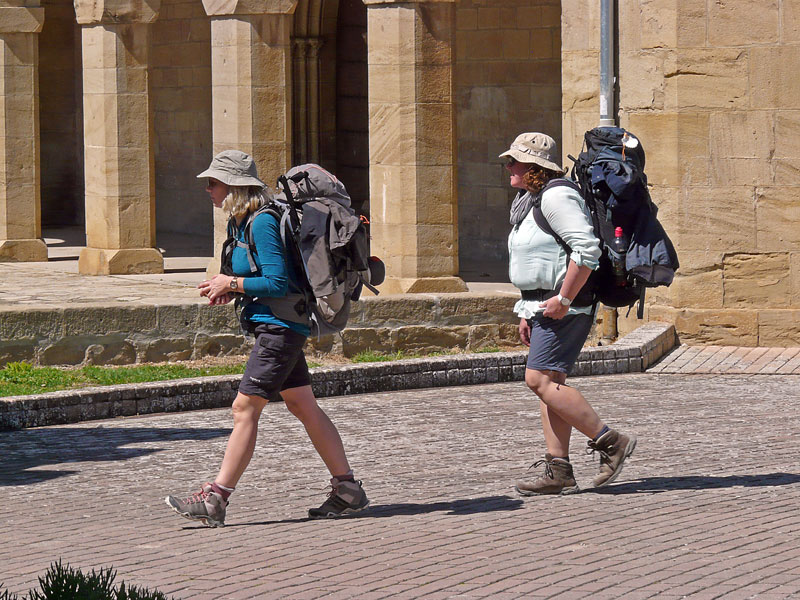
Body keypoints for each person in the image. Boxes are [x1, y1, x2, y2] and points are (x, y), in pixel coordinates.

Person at [165, 150, 369, 526]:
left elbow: (277, 282)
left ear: (233, 186)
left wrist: (234, 283)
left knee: (244, 409)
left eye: (213, 183)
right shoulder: (239, 221)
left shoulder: (260, 222)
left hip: (281, 330)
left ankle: (216, 498)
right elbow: (262, 278)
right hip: (276, 325)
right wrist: (232, 288)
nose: (207, 189)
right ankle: (348, 490)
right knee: (303, 405)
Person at [502, 132, 637, 495]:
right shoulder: (529, 201)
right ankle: (558, 469)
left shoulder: (557, 196)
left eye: (513, 161)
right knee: (550, 384)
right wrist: (527, 309)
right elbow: (538, 258)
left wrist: (563, 298)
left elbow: (586, 251)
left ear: (534, 168)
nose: (508, 167)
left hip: (565, 305)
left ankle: (611, 441)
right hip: (542, 303)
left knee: (539, 380)